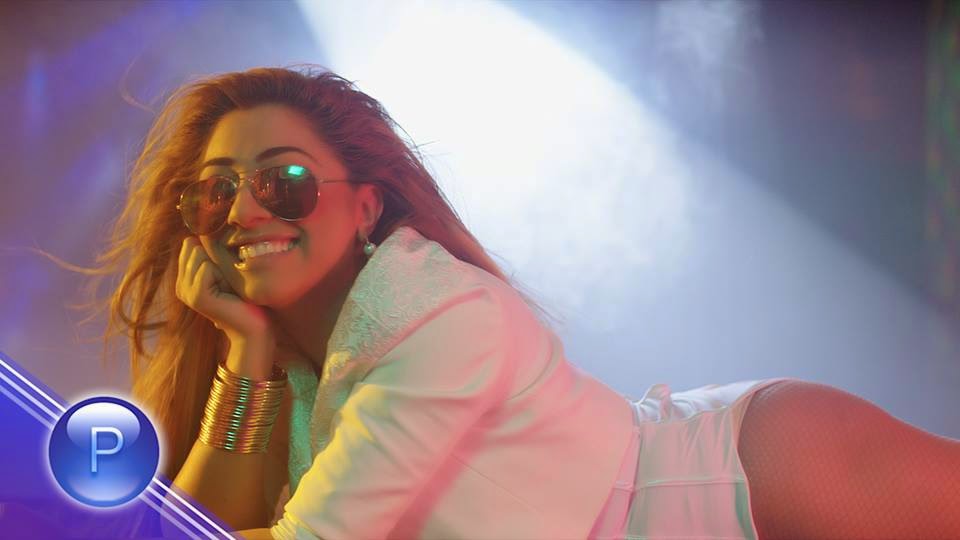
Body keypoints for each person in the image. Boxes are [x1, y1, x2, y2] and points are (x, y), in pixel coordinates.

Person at [94, 66, 960, 539]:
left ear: (366, 206)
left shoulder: (442, 317)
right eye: (215, 191)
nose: (244, 211)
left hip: (740, 483)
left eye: (282, 181)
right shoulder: (293, 374)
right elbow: (198, 529)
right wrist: (245, 353)